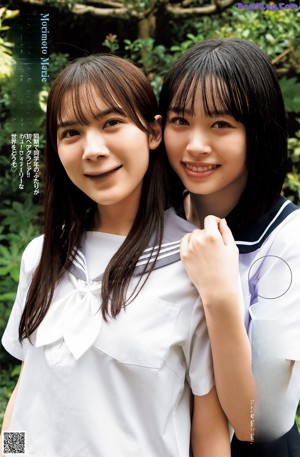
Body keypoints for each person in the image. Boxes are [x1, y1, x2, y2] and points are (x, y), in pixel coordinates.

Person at [1, 54, 230, 457]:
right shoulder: (41, 257)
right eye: (70, 132)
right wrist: (10, 450)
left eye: (111, 123)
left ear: (153, 132)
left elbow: (209, 437)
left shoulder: (195, 267)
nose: (92, 149)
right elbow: (26, 392)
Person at [159, 38, 300, 456]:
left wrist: (220, 294)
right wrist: (12, 447)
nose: (195, 145)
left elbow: (265, 422)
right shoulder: (142, 225)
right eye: (180, 121)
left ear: (257, 133)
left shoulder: (285, 240)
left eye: (221, 125)